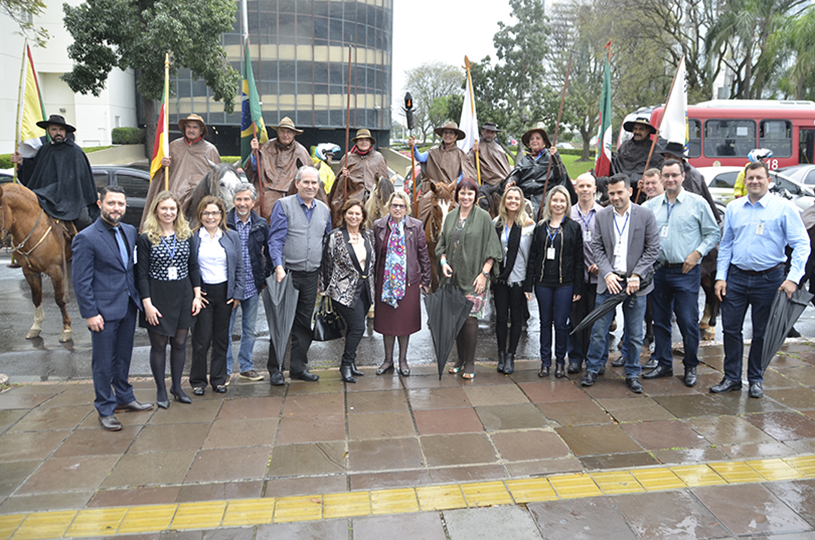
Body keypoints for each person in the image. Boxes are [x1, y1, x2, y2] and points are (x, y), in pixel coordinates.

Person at [713, 161, 811, 398]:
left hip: (770, 279)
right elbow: (726, 245)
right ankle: (731, 377)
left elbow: (801, 244)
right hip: (736, 278)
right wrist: (720, 277)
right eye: (750, 178)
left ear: (769, 181)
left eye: (759, 178)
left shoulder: (784, 208)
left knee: (762, 333)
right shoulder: (734, 208)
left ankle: (756, 378)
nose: (754, 182)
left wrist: (793, 278)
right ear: (744, 181)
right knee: (731, 329)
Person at [72, 186, 152, 431]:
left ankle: (125, 398)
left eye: (121, 204)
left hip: (128, 306)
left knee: (123, 358)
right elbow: (81, 280)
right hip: (102, 313)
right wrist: (90, 313)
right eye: (111, 203)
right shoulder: (86, 237)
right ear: (100, 204)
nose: (116, 208)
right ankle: (105, 408)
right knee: (103, 363)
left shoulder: (129, 231)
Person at [642, 160, 720, 387]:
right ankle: (664, 364)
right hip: (658, 271)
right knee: (660, 321)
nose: (670, 180)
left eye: (674, 175)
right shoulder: (651, 206)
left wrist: (698, 253)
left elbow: (713, 233)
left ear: (683, 176)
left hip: (686, 271)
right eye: (666, 175)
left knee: (687, 320)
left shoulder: (697, 203)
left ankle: (690, 366)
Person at [580, 174, 660, 394]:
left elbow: (652, 248)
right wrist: (606, 273)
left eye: (619, 192)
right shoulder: (603, 215)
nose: (615, 197)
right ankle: (594, 367)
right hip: (609, 281)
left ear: (630, 192)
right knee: (599, 329)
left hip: (636, 283)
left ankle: (632, 372)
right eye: (611, 193)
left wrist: (637, 275)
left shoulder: (645, 214)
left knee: (634, 333)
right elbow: (597, 247)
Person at [267, 166, 332, 385]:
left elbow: (326, 243)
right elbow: (275, 239)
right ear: (297, 184)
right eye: (306, 182)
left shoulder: (324, 210)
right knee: (281, 322)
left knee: (304, 323)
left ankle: (298, 367)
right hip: (286, 273)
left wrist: (324, 276)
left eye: (314, 183)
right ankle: (276, 368)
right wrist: (277, 266)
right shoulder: (283, 206)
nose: (311, 186)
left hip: (311, 274)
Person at [137, 191, 203, 409]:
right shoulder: (146, 238)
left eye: (172, 208)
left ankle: (176, 386)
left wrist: (196, 295)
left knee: (180, 343)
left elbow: (193, 266)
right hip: (157, 296)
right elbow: (142, 273)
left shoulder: (186, 235)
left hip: (183, 294)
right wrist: (147, 304)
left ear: (178, 211)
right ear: (156, 210)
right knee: (159, 345)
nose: (168, 212)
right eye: (164, 208)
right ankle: (161, 390)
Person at [437, 178, 503, 379]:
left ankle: (471, 362)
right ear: (457, 195)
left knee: (469, 319)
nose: (466, 197)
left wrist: (484, 274)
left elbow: (493, 248)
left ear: (475, 196)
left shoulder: (483, 217)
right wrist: (443, 263)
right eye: (462, 193)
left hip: (475, 277)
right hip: (453, 278)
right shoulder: (450, 217)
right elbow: (442, 245)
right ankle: (460, 359)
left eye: (470, 193)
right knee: (457, 319)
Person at [189, 197, 245, 395]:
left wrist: (238, 293)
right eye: (206, 213)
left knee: (222, 338)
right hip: (202, 293)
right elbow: (188, 268)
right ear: (200, 215)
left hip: (225, 293)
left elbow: (239, 266)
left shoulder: (232, 236)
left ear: (221, 215)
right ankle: (197, 381)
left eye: (214, 213)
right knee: (201, 339)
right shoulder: (193, 237)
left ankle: (219, 379)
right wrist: (193, 294)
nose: (210, 217)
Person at [526, 186, 584, 378]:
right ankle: (545, 363)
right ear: (549, 203)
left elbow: (578, 260)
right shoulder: (540, 227)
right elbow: (533, 257)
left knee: (560, 324)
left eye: (562, 201)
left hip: (564, 284)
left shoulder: (573, 227)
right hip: (543, 283)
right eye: (555, 200)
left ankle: (560, 361)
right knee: (544, 323)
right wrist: (529, 285)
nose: (558, 204)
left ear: (567, 204)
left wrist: (577, 286)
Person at [373, 191, 431, 377]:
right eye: (394, 205)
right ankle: (388, 360)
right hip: (384, 281)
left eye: (402, 206)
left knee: (404, 323)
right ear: (389, 206)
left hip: (408, 282)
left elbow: (423, 254)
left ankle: (403, 360)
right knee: (387, 323)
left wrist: (426, 280)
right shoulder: (378, 226)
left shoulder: (416, 226)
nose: (398, 209)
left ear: (407, 208)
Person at [320, 200, 375, 383]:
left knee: (354, 328)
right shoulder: (334, 236)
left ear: (363, 217)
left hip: (366, 289)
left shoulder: (369, 235)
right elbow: (326, 263)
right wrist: (325, 288)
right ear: (344, 215)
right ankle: (346, 364)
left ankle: (351, 364)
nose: (354, 217)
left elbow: (372, 263)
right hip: (342, 290)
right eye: (350, 213)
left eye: (357, 214)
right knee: (358, 326)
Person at [11, 114, 98, 229]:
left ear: (65, 131)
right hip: (46, 196)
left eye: (61, 129)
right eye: (54, 129)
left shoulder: (75, 152)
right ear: (48, 131)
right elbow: (35, 172)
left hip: (72, 198)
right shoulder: (45, 149)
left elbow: (83, 181)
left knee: (83, 220)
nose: (58, 132)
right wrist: (22, 162)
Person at [141, 114, 221, 225]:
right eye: (189, 127)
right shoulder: (173, 146)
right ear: (184, 129)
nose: (191, 130)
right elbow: (163, 175)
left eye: (195, 127)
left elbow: (217, 178)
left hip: (199, 199)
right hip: (175, 195)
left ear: (201, 131)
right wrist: (163, 166)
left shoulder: (210, 150)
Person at [226, 183, 270, 382]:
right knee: (225, 330)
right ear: (233, 200)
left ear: (253, 202)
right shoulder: (224, 222)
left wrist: (264, 277)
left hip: (252, 284)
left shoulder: (260, 224)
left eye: (246, 199)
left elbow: (269, 252)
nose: (242, 203)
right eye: (238, 199)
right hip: (229, 286)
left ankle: (246, 366)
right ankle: (225, 370)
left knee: (249, 329)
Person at [492, 186, 535, 375]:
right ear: (504, 201)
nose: (513, 201)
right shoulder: (496, 223)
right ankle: (501, 354)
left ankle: (511, 355)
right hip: (500, 278)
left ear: (522, 201)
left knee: (516, 318)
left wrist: (529, 283)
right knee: (501, 317)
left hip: (518, 278)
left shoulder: (528, 224)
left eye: (517, 199)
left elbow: (532, 255)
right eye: (509, 198)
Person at [568, 173, 603, 374]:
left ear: (595, 188)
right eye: (581, 186)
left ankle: (596, 360)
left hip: (599, 276)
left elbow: (612, 242)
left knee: (598, 322)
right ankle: (575, 358)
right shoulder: (568, 213)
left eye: (588, 185)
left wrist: (602, 263)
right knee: (575, 319)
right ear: (576, 188)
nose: (584, 189)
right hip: (576, 277)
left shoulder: (605, 213)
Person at [408, 121, 478, 222]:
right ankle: (421, 232)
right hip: (435, 190)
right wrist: (413, 147)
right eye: (445, 132)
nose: (448, 135)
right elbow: (420, 157)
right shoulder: (433, 151)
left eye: (451, 133)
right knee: (421, 204)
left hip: (452, 190)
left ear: (456, 136)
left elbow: (464, 174)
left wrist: (453, 186)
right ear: (442, 135)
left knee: (467, 209)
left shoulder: (461, 154)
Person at [249, 117, 314, 219]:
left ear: (294, 134)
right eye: (282, 131)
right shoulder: (267, 146)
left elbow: (311, 174)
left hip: (291, 191)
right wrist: (254, 152)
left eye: (289, 132)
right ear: (278, 132)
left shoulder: (301, 151)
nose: (285, 135)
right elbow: (253, 168)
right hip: (267, 188)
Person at [507, 125, 576, 217]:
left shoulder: (551, 156)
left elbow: (560, 176)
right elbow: (517, 173)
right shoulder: (525, 159)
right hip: (525, 200)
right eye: (531, 139)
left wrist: (556, 158)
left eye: (538, 138)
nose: (534, 141)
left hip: (544, 200)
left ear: (544, 142)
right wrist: (512, 181)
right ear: (528, 143)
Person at [329, 128, 389, 225]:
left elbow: (385, 182)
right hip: (352, 198)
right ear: (356, 142)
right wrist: (344, 177)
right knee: (337, 207)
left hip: (374, 199)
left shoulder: (378, 158)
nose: (363, 142)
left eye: (366, 140)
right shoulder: (348, 157)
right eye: (361, 140)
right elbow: (338, 185)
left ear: (370, 142)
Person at [658, 142, 720, 222]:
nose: (665, 160)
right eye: (665, 157)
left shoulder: (691, 175)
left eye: (669, 156)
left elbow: (692, 204)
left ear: (679, 158)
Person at [612, 117, 662, 186]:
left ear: (647, 131)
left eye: (641, 129)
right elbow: (615, 164)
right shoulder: (625, 146)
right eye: (635, 129)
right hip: (622, 186)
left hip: (643, 189)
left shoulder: (655, 149)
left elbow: (657, 170)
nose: (637, 132)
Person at [471, 122, 512, 186]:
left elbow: (505, 166)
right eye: (487, 132)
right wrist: (473, 152)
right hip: (485, 182)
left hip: (502, 181)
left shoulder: (498, 148)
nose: (489, 135)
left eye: (492, 132)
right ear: (482, 131)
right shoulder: (476, 144)